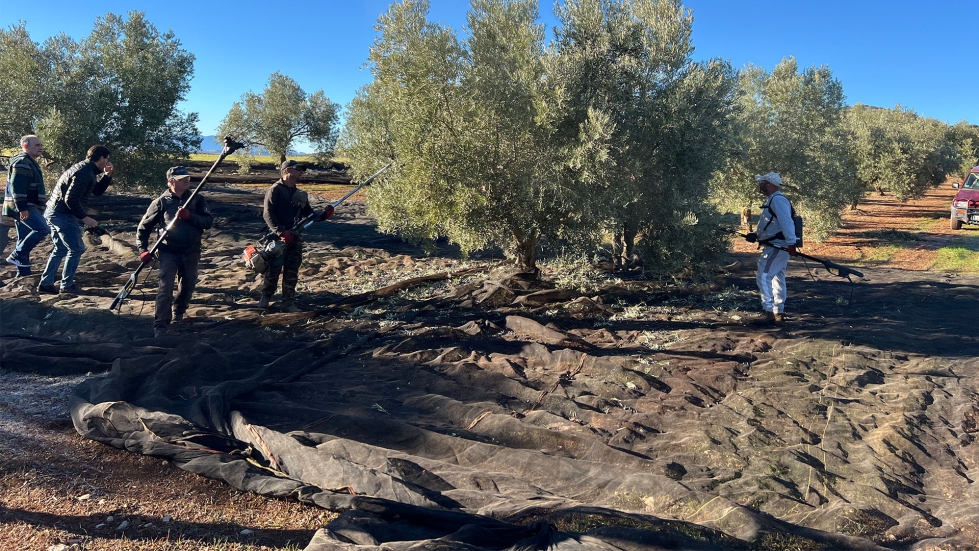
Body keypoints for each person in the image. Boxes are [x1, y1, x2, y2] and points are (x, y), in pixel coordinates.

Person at [137, 166, 213, 338]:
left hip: (192, 250)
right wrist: (142, 249)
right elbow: (143, 228)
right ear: (171, 181)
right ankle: (161, 325)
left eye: (188, 178)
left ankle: (179, 313)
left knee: (188, 284)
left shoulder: (197, 200)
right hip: (168, 251)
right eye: (182, 178)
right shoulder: (160, 202)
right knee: (165, 287)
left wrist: (190, 217)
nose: (187, 181)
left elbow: (208, 222)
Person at [37, 145, 113, 295]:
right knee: (77, 248)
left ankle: (46, 284)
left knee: (61, 248)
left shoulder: (86, 169)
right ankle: (67, 285)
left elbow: (96, 191)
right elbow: (71, 199)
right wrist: (84, 218)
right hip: (62, 214)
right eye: (107, 159)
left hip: (53, 212)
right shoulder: (84, 172)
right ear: (102, 158)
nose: (107, 162)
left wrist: (107, 176)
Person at [258, 159, 325, 312]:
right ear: (287, 171)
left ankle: (288, 302)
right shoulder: (275, 190)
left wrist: (324, 215)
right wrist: (281, 232)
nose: (302, 172)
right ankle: (266, 297)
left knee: (291, 271)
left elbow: (309, 214)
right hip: (275, 238)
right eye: (298, 169)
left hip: (295, 237)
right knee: (273, 270)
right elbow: (268, 214)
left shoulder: (300, 194)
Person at [745, 172, 798, 324]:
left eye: (761, 182)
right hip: (777, 244)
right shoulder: (773, 199)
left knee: (763, 276)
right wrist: (756, 234)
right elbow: (773, 225)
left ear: (768, 184)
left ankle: (768, 311)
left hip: (777, 246)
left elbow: (786, 222)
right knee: (777, 278)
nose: (760, 185)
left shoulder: (778, 200)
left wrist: (791, 243)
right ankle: (778, 312)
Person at [3, 135, 50, 276]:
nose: (40, 147)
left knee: (23, 238)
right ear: (25, 146)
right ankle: (17, 254)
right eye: (37, 145)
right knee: (42, 229)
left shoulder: (29, 162)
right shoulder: (22, 162)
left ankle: (23, 272)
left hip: (25, 206)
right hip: (26, 206)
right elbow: (17, 187)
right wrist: (22, 208)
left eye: (41, 145)